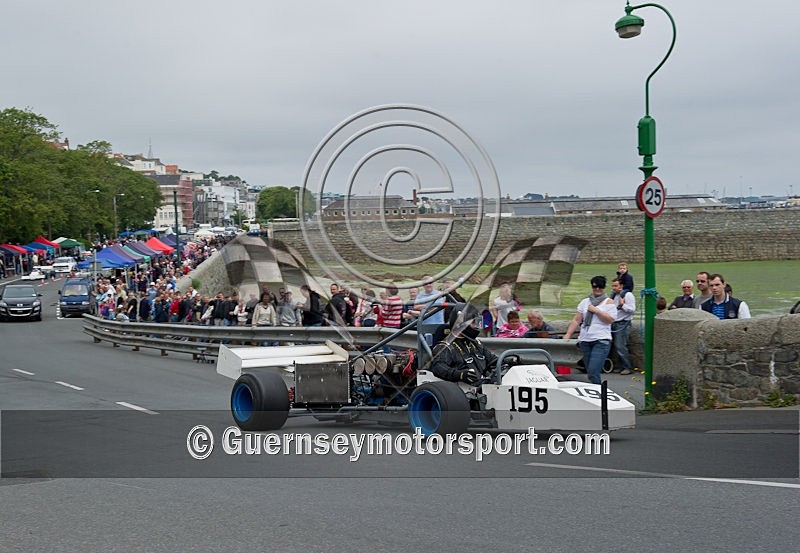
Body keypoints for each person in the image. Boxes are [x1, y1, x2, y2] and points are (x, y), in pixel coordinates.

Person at [563, 276, 616, 385]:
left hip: (601, 340)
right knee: (589, 371)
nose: (597, 289)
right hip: (585, 340)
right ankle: (596, 390)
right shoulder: (585, 302)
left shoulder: (609, 302)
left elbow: (610, 320)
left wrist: (596, 311)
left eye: (600, 287)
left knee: (593, 370)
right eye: (595, 287)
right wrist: (568, 334)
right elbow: (577, 319)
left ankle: (600, 393)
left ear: (604, 287)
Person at [429, 303, 498, 384]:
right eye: (473, 323)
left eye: (476, 322)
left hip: (485, 385)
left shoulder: (476, 343)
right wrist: (460, 375)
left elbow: (492, 360)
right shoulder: (445, 346)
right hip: (466, 390)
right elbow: (438, 367)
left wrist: (507, 360)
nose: (476, 326)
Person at [610, 277, 636, 375]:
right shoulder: (614, 296)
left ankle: (627, 367)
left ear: (621, 286)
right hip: (615, 323)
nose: (613, 288)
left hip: (623, 323)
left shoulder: (628, 295)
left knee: (620, 346)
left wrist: (622, 305)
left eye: (616, 286)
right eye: (613, 286)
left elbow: (632, 310)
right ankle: (620, 366)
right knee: (616, 346)